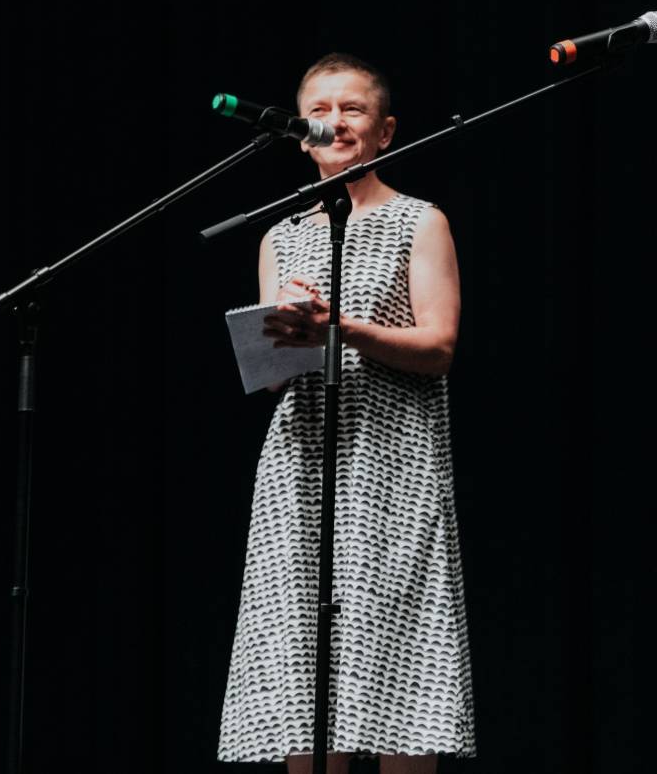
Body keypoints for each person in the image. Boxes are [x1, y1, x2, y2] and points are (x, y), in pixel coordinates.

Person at [218, 54, 475, 774]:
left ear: (385, 131)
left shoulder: (420, 221)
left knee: (401, 668)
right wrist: (280, 339)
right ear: (299, 133)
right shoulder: (279, 236)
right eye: (320, 111)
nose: (334, 122)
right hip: (301, 467)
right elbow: (275, 380)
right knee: (302, 671)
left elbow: (439, 347)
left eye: (353, 109)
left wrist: (341, 329)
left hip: (394, 467)